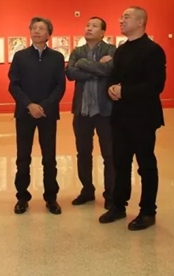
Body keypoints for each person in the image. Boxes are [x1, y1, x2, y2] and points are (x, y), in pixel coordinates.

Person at [99, 6, 166, 231]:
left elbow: (155, 85)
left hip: (143, 117)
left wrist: (124, 91)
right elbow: (113, 77)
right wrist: (111, 89)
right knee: (120, 163)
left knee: (145, 165)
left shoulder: (153, 50)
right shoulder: (121, 50)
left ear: (140, 22)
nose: (121, 20)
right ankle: (118, 206)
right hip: (120, 116)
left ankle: (148, 211)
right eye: (121, 17)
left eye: (126, 17)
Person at [8, 17, 66, 215]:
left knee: (49, 158)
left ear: (49, 33)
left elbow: (60, 87)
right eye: (34, 28)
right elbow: (13, 85)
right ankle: (22, 197)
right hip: (25, 113)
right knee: (23, 157)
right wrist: (29, 105)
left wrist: (43, 106)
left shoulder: (57, 57)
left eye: (41, 28)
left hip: (47, 114)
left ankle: (51, 198)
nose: (37, 31)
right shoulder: (20, 56)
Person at [66, 17, 117, 210]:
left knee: (109, 154)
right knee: (83, 153)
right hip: (82, 111)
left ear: (103, 32)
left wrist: (83, 64)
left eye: (94, 26)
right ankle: (87, 190)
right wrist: (97, 68)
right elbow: (70, 73)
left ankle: (110, 194)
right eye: (88, 25)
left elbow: (110, 70)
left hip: (105, 111)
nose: (89, 28)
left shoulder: (111, 50)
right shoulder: (77, 51)